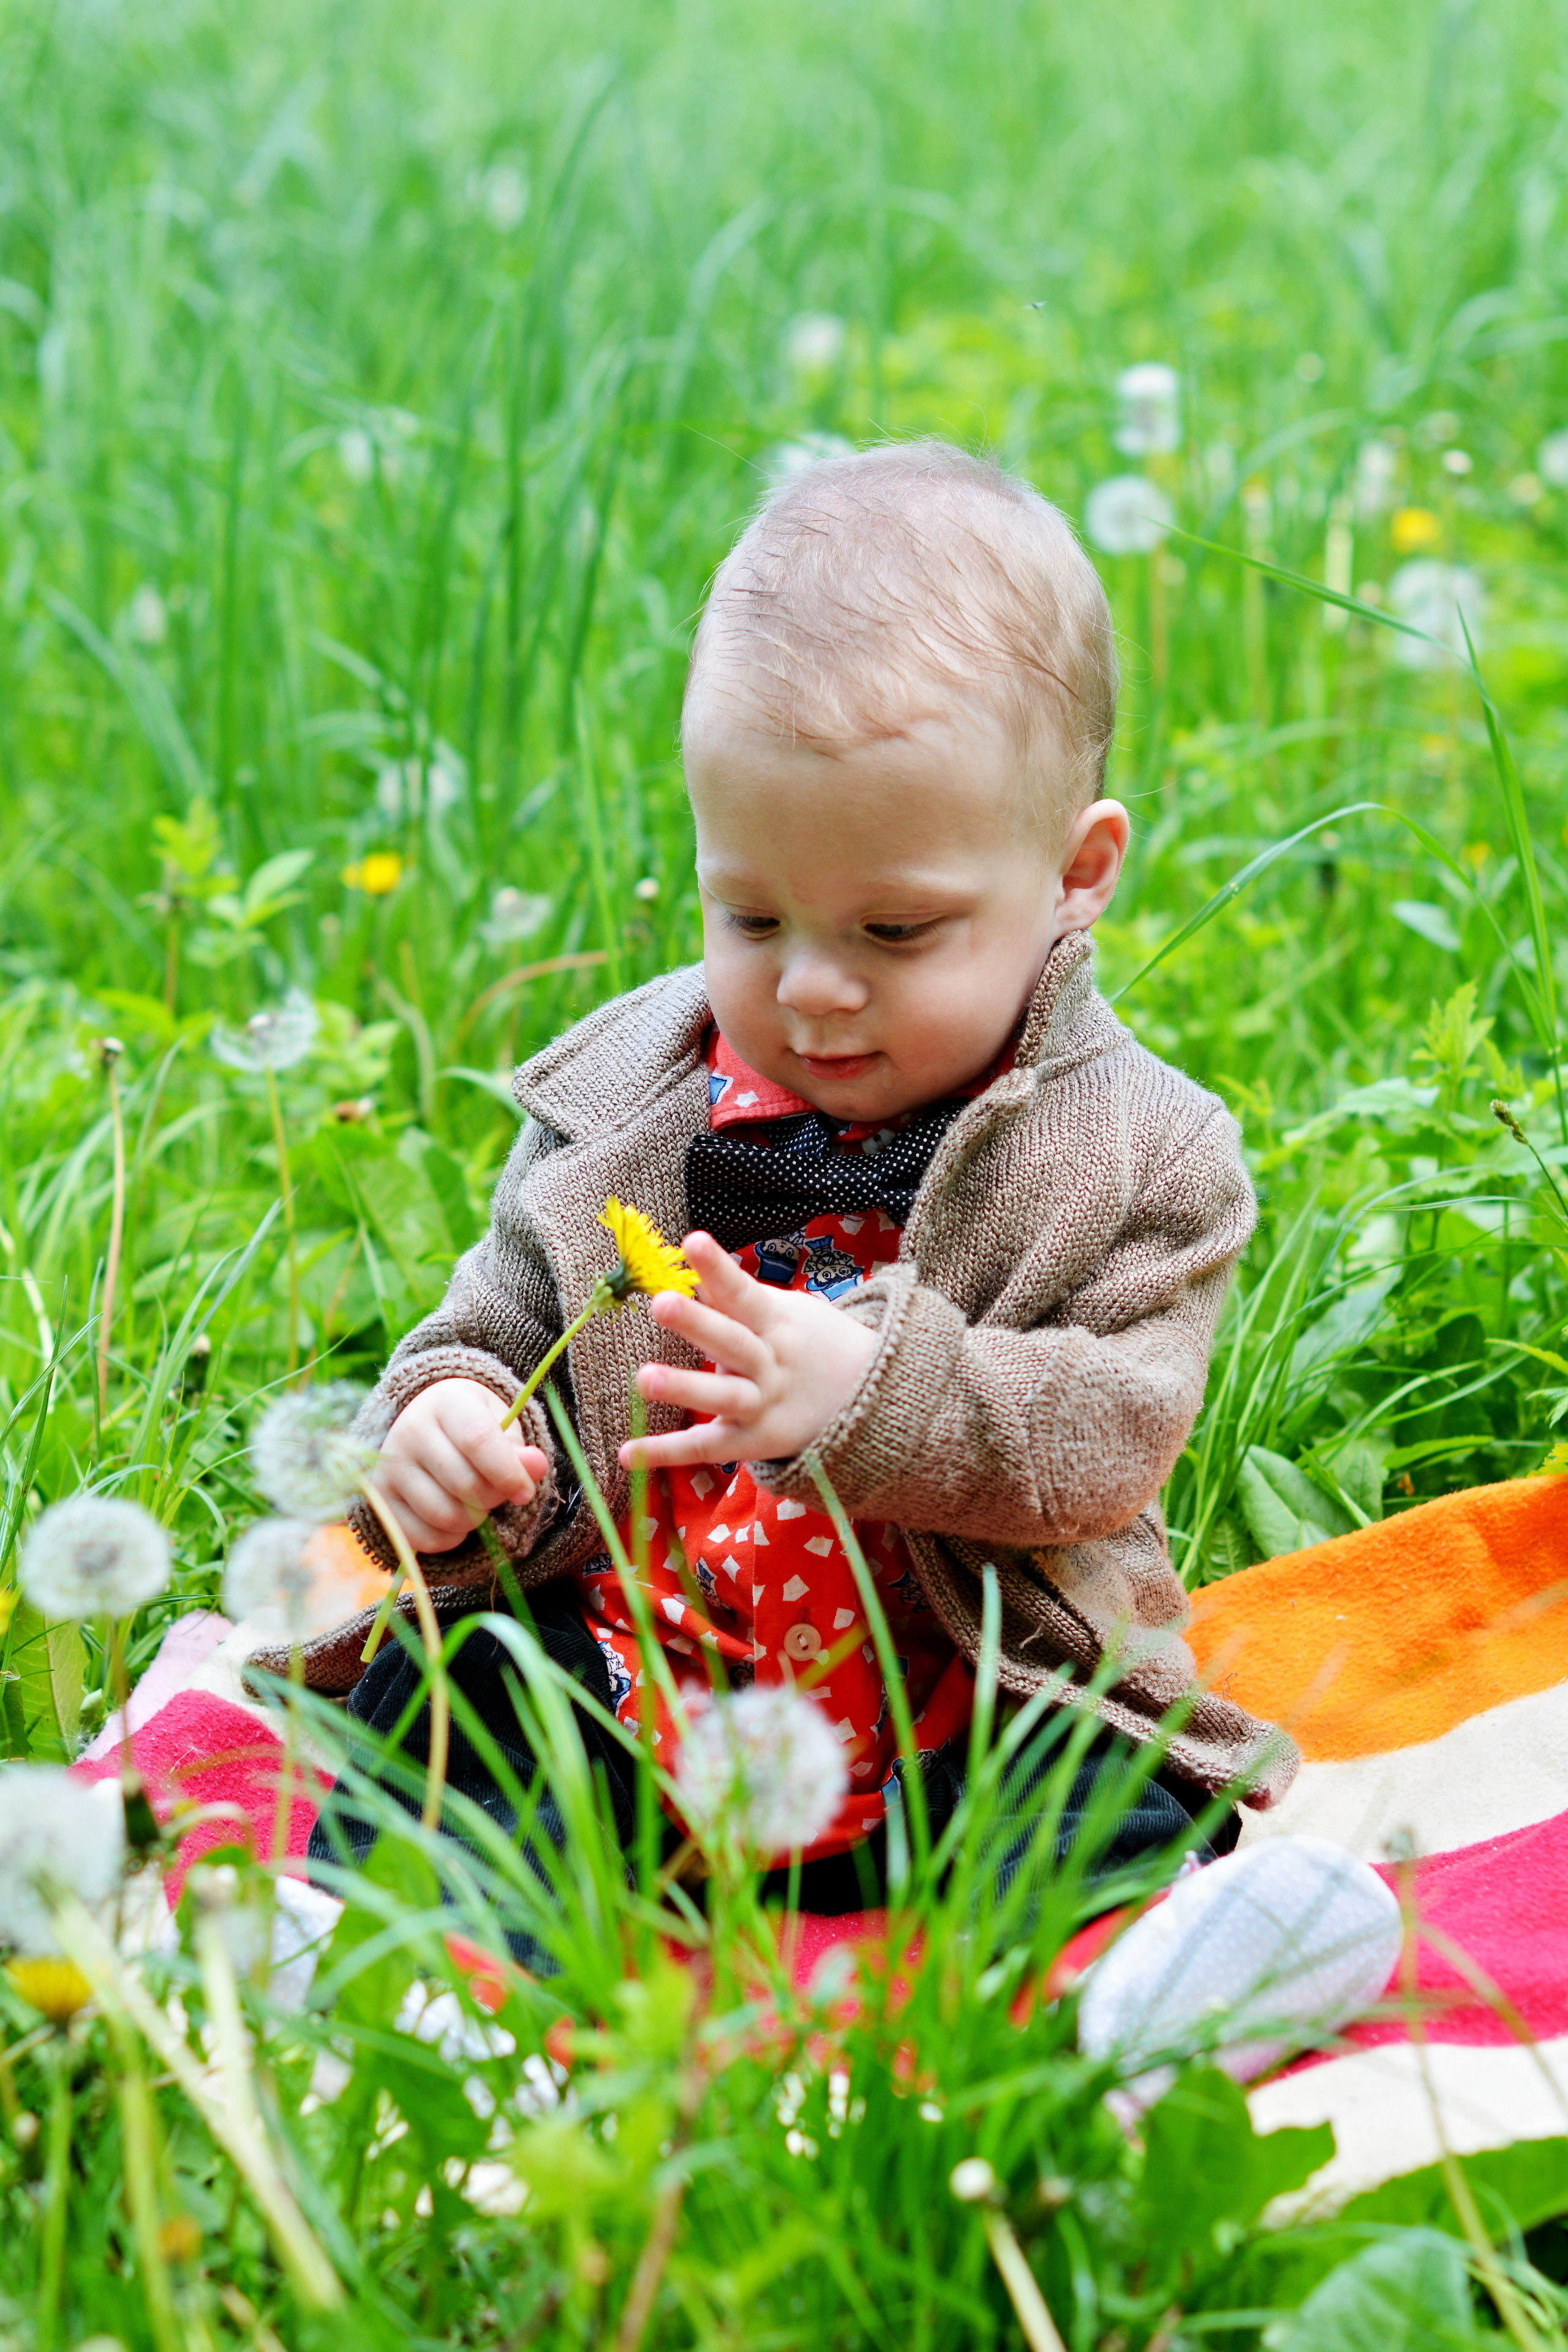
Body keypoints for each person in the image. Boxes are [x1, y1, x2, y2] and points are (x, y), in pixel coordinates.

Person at [296, 440, 1299, 1929]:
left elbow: (1113, 1433)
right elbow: (496, 1321)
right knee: (464, 1694)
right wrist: (448, 1426)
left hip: (960, 1703)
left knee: (1103, 1784)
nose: (813, 988)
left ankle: (1146, 1966)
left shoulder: (1135, 1154)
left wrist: (875, 1397)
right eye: (752, 917)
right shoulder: (622, 1102)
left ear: (1075, 872)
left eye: (894, 931)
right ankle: (407, 1962)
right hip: (635, 1688)